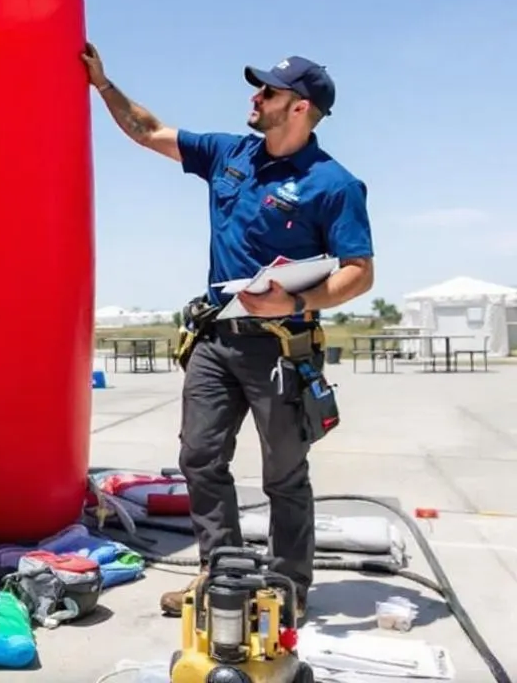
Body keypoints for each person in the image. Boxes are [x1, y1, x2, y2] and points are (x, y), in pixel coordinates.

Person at [80, 43, 375, 619]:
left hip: (281, 348)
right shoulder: (229, 154)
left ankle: (289, 588)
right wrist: (103, 84)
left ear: (300, 107)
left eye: (268, 91)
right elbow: (149, 131)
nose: (255, 96)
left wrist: (297, 299)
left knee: (284, 474)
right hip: (217, 341)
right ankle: (220, 577)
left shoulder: (333, 184)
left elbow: (359, 273)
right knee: (199, 458)